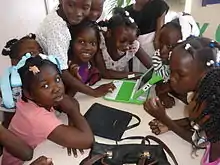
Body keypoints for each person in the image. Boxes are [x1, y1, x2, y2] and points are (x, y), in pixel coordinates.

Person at [2, 55, 94, 165]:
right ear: (29, 93)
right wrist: (73, 112)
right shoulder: (35, 117)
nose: (56, 88)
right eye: (45, 86)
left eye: (57, 79)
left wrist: (72, 118)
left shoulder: (36, 99)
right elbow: (88, 140)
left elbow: (70, 102)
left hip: (40, 150)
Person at [144, 37, 220, 164]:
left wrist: (165, 119)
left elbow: (199, 140)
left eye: (180, 74)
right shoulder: (210, 98)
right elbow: (201, 130)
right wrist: (171, 123)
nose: (172, 79)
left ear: (204, 73)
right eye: (171, 71)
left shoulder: (210, 104)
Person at [36, 0, 112, 98]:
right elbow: (61, 70)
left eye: (85, 7)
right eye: (71, 5)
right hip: (44, 81)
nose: (78, 13)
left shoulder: (62, 11)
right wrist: (93, 92)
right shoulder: (57, 28)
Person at [152, 12, 200, 108]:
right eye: (160, 42)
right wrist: (163, 95)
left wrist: (169, 87)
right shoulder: (159, 59)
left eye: (169, 46)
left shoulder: (197, 68)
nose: (162, 50)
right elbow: (159, 84)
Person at [95, 7, 152, 79]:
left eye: (130, 42)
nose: (127, 46)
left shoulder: (133, 46)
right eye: (122, 41)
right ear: (109, 33)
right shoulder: (99, 42)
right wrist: (136, 75)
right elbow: (105, 73)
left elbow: (153, 67)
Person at [0, 33, 43, 129]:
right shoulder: (11, 85)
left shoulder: (41, 72)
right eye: (31, 53)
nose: (39, 55)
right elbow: (9, 118)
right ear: (15, 62)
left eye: (40, 50)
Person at [68, 20, 115, 95]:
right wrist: (74, 81)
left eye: (92, 43)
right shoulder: (66, 67)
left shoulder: (87, 64)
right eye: (82, 42)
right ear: (71, 42)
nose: (88, 47)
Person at [125, 0, 169, 72]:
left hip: (151, 50)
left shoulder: (159, 5)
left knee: (150, 74)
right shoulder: (126, 11)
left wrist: (159, 55)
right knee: (134, 75)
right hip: (132, 51)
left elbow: (158, 38)